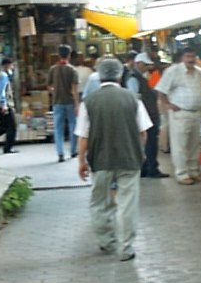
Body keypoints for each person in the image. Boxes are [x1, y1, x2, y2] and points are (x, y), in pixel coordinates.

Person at [76, 57, 153, 262]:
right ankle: (126, 247)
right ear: (120, 75)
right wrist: (140, 151)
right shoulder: (133, 99)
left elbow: (83, 136)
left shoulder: (88, 103)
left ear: (99, 76)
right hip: (129, 159)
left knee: (100, 202)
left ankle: (107, 241)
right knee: (127, 204)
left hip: (100, 160)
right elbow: (143, 132)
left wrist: (81, 161)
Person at [155, 47, 201, 185]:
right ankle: (182, 173)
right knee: (180, 145)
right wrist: (168, 105)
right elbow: (161, 90)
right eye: (188, 56)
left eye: (193, 56)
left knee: (194, 145)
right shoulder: (173, 71)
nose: (191, 59)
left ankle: (194, 171)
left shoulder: (199, 72)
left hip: (195, 113)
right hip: (180, 113)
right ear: (182, 58)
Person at [128, 52, 167, 178]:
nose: (147, 67)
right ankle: (151, 169)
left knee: (148, 143)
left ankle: (145, 168)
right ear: (138, 63)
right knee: (150, 143)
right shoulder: (133, 78)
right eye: (145, 65)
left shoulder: (140, 77)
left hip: (148, 114)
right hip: (145, 115)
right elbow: (134, 98)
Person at [48, 44, 80, 162]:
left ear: (58, 55)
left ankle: (60, 153)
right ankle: (73, 151)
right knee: (73, 126)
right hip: (70, 102)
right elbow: (74, 89)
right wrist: (77, 104)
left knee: (58, 128)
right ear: (69, 55)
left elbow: (49, 86)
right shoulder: (72, 70)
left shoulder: (53, 69)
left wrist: (55, 91)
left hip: (57, 102)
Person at [0, 58, 18, 154]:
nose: (12, 67)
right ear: (7, 65)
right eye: (11, 65)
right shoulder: (3, 76)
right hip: (3, 105)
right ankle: (8, 148)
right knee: (12, 126)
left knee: (3, 126)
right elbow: (1, 91)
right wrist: (4, 105)